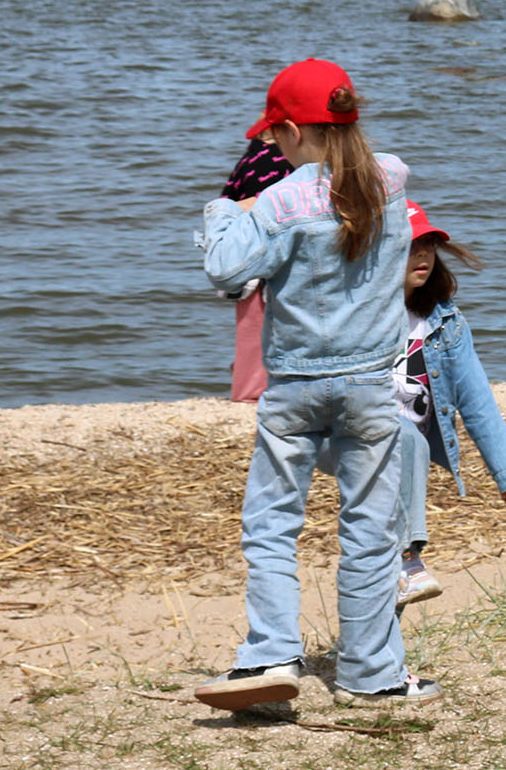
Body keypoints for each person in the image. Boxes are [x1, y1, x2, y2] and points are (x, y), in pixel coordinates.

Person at [194, 58, 439, 710]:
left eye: (276, 135)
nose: (271, 145)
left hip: (296, 388)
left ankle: (271, 656)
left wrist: (225, 210)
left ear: (298, 132)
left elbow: (227, 273)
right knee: (369, 529)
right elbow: (363, 186)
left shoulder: (278, 202)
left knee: (272, 525)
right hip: (370, 386)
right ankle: (372, 673)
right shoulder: (389, 180)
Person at [392, 200, 506, 607]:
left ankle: (388, 665)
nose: (424, 255)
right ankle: (409, 558)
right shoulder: (360, 314)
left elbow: (476, 398)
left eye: (429, 244)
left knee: (386, 564)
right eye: (412, 245)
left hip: (404, 458)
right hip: (353, 437)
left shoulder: (445, 322)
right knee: (382, 551)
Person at [218, 131, 294, 402]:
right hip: (277, 258)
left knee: (252, 336)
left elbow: (229, 199)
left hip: (248, 257)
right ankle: (253, 390)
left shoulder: (251, 157)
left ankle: (247, 386)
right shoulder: (284, 162)